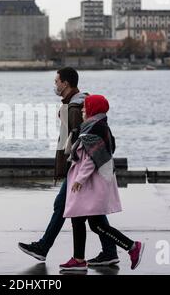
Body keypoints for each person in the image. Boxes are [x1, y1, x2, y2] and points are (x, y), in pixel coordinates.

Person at [18, 68, 120, 266]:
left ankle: (45, 248)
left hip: (79, 168)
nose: (55, 85)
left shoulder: (75, 108)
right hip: (81, 169)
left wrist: (76, 173)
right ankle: (109, 251)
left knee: (64, 207)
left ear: (66, 83)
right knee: (94, 214)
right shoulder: (75, 103)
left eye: (57, 81)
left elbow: (81, 142)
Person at [59, 94, 145, 271]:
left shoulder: (95, 128)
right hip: (92, 181)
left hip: (91, 183)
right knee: (79, 219)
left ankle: (132, 246)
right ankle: (79, 259)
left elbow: (92, 158)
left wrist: (80, 180)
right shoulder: (97, 125)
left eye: (86, 107)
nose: (82, 109)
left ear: (93, 108)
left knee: (95, 223)